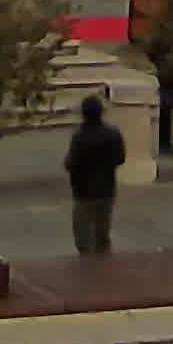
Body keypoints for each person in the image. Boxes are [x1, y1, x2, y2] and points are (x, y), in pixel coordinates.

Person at [64, 95, 128, 255]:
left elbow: (72, 163)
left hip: (83, 192)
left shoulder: (79, 137)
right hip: (106, 189)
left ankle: (87, 267)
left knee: (83, 237)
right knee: (102, 235)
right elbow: (120, 158)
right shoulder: (113, 133)